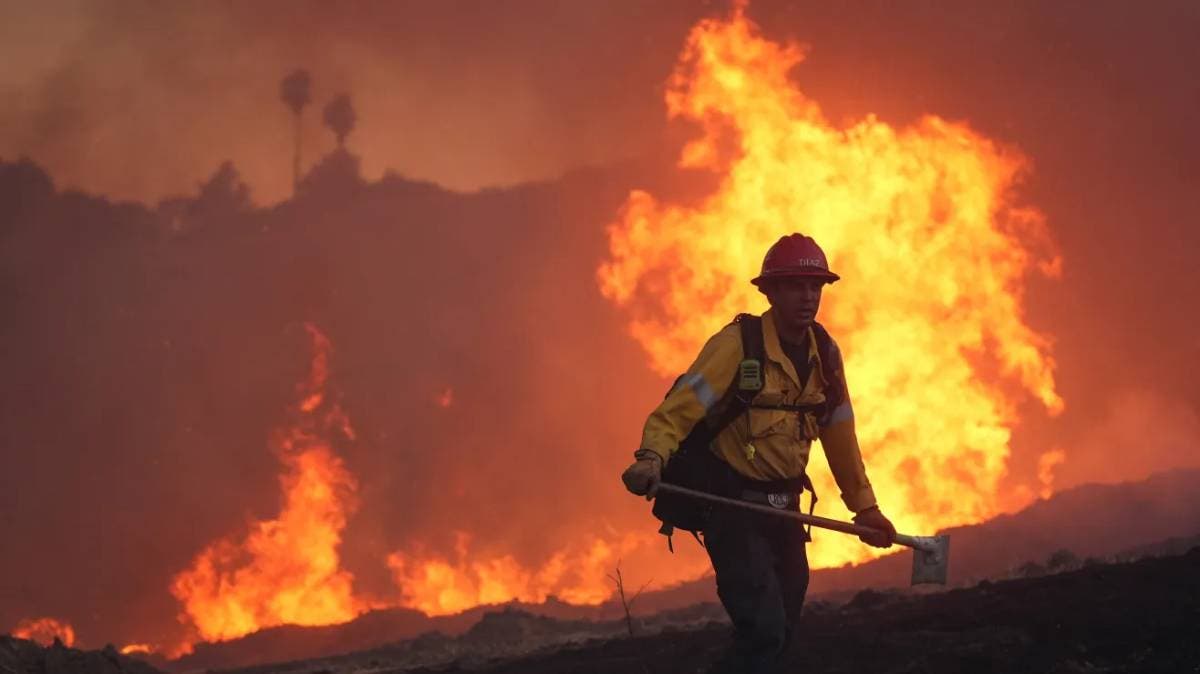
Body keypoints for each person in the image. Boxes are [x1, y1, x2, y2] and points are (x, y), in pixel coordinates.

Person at [621, 233, 896, 673]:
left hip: (785, 511)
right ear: (769, 291)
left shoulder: (825, 354)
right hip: (733, 511)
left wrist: (865, 508)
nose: (807, 297)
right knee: (763, 629)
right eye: (793, 286)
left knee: (783, 630)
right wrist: (651, 458)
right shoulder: (736, 346)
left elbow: (839, 433)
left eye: (815, 287)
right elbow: (678, 411)